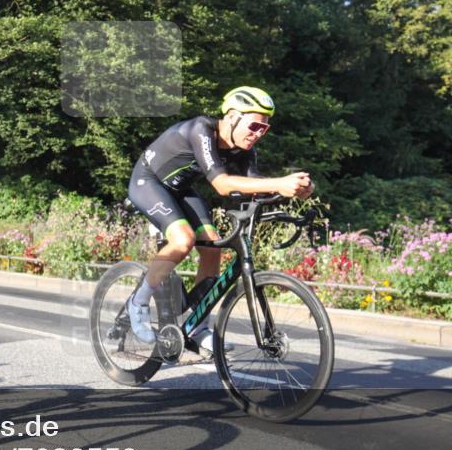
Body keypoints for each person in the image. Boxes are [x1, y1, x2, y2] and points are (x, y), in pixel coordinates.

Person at [125, 86, 314, 353]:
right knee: (183, 240)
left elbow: (255, 183)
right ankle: (138, 302)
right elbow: (222, 185)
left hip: (180, 190)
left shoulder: (243, 148)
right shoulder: (201, 129)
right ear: (233, 116)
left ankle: (197, 326)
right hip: (148, 181)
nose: (258, 134)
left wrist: (299, 189)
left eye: (264, 129)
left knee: (212, 247)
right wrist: (279, 183)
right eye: (254, 126)